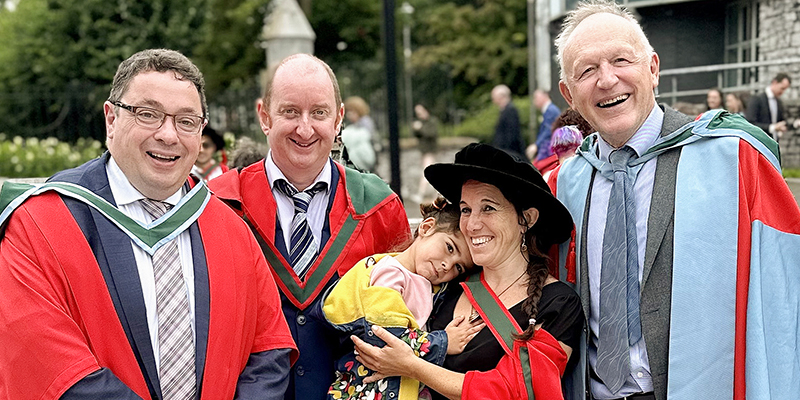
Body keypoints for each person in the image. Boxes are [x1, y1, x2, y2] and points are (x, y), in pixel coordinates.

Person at [0, 49, 297, 399]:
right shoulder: (39, 223)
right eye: (148, 114)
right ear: (111, 119)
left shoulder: (231, 229)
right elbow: (46, 362)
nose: (168, 135)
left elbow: (269, 349)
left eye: (186, 121)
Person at [555, 1, 800, 399]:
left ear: (653, 69)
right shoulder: (567, 182)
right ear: (569, 93)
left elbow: (785, 301)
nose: (607, 79)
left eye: (621, 60)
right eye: (587, 70)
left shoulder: (736, 161)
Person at [209, 53, 412, 400]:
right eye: (290, 112)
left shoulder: (380, 209)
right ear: (264, 116)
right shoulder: (220, 206)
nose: (305, 129)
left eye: (319, 113)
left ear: (338, 119)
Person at [351, 143, 585, 400]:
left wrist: (412, 366)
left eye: (488, 208)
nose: (472, 225)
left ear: (526, 219)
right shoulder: (447, 281)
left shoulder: (558, 304)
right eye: (465, 209)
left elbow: (514, 390)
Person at [321, 196, 476, 400]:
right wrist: (444, 342)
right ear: (427, 227)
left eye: (459, 267)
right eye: (449, 248)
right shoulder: (390, 274)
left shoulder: (428, 285)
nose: (448, 265)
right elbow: (386, 337)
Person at [745, 72, 791, 140]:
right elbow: (750, 123)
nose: (782, 92)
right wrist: (772, 127)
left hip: (773, 142)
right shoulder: (757, 99)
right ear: (775, 82)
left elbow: (782, 120)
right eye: (782, 88)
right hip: (759, 141)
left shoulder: (779, 102)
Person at [411, 103, 439, 204]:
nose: (419, 115)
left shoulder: (431, 121)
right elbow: (417, 135)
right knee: (432, 172)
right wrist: (416, 129)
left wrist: (420, 128)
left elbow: (431, 133)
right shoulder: (422, 122)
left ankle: (421, 193)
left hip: (430, 151)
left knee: (426, 172)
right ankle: (437, 194)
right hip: (424, 151)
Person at [491, 84, 527, 160]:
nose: (493, 100)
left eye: (494, 97)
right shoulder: (505, 110)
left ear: (501, 97)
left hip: (510, 152)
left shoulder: (510, 111)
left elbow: (511, 135)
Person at [531, 89, 561, 163]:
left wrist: (536, 145)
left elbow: (548, 131)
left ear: (545, 96)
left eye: (536, 97)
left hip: (549, 150)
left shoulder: (550, 110)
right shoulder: (549, 110)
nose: (534, 100)